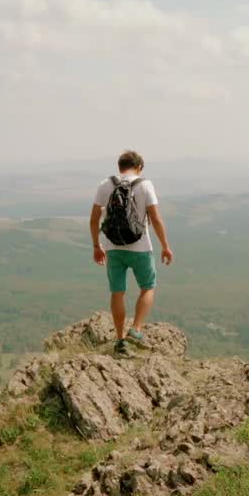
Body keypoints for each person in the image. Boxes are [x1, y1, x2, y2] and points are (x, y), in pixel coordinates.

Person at [90, 150, 174, 358]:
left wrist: (96, 246)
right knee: (147, 287)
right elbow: (155, 218)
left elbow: (93, 220)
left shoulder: (105, 184)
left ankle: (120, 341)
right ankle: (135, 329)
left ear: (120, 167)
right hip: (141, 247)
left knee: (117, 292)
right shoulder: (145, 185)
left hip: (112, 247)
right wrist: (165, 245)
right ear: (139, 167)